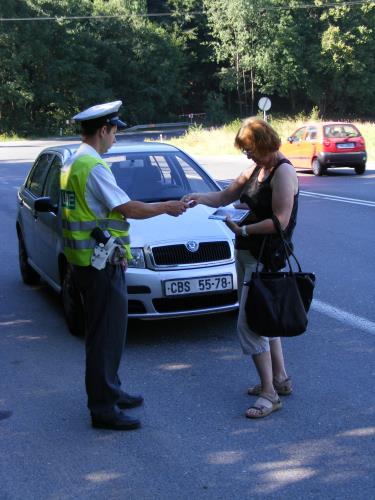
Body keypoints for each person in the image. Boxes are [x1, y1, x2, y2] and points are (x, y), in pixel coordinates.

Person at [60, 101, 188, 430]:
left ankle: (111, 390)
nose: (116, 137)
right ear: (103, 130)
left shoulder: (73, 161)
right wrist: (167, 206)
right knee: (105, 335)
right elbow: (127, 208)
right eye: (115, 131)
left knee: (107, 333)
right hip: (99, 264)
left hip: (85, 261)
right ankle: (103, 408)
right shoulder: (93, 165)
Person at [182, 117, 299, 419]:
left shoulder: (283, 172)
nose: (246, 156)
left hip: (265, 255)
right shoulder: (257, 169)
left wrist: (244, 231)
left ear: (263, 144)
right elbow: (224, 196)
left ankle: (269, 394)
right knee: (267, 320)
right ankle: (281, 379)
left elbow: (280, 221)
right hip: (247, 253)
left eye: (249, 149)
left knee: (249, 325)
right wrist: (198, 198)